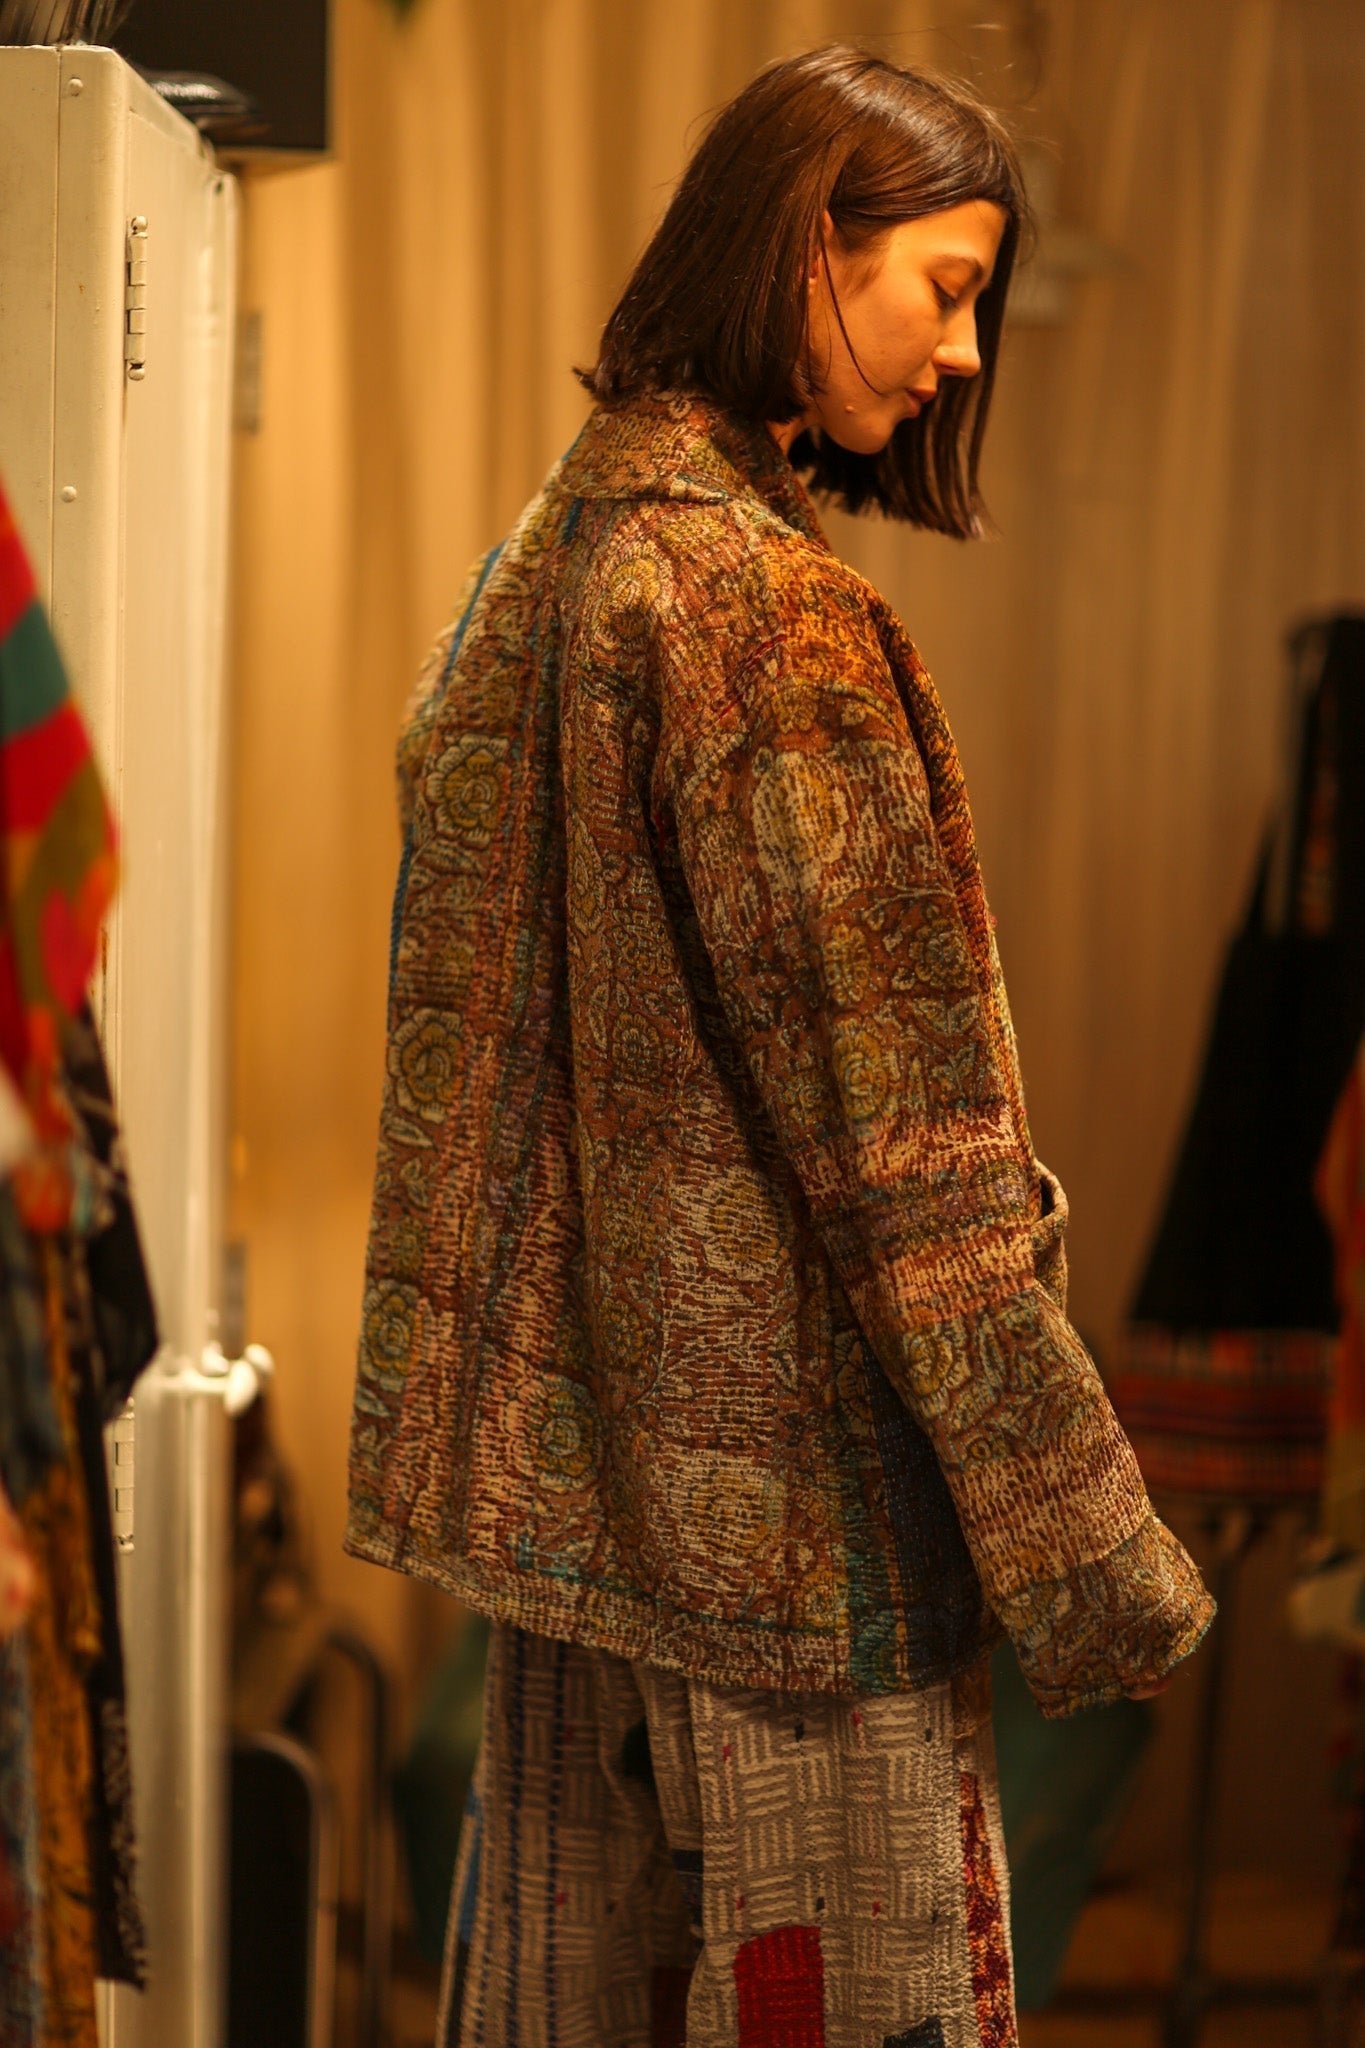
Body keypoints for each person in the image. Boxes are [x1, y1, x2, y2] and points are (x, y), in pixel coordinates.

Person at [346, 45, 1214, 2048]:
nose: (965, 349)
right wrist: (1095, 1553)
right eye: (944, 284)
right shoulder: (765, 621)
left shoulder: (538, 574)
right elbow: (905, 1159)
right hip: (799, 1573)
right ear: (808, 246)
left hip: (581, 1536)